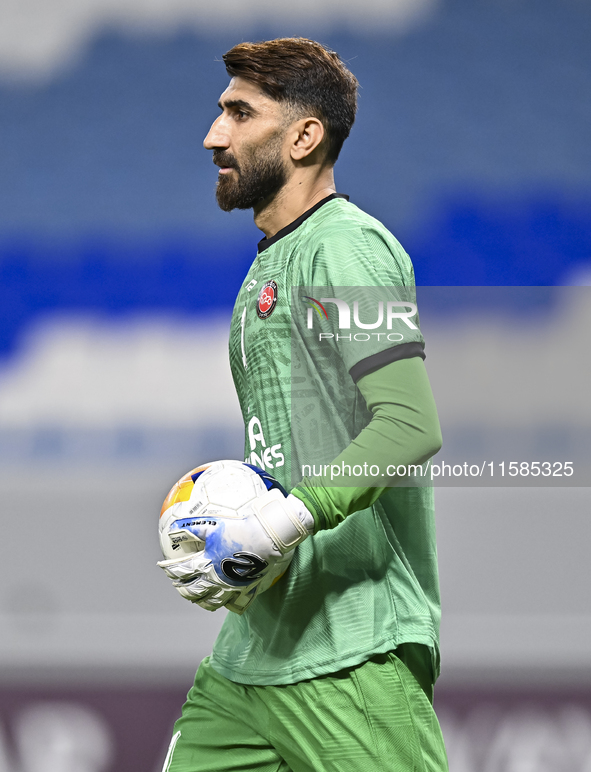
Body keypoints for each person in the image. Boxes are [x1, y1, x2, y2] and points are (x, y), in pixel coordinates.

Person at [160, 37, 449, 772]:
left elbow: (410, 427)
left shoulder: (344, 250)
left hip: (349, 650)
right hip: (253, 654)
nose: (212, 134)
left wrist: (278, 520)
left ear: (303, 135)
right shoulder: (275, 260)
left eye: (237, 112)